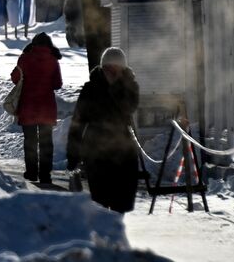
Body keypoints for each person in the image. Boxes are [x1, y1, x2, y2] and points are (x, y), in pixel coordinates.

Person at [66, 47, 139, 213]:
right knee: (100, 202)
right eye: (108, 68)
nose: (112, 72)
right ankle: (102, 236)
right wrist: (73, 155)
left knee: (121, 204)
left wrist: (116, 87)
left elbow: (128, 107)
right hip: (95, 152)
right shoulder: (90, 89)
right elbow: (78, 123)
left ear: (123, 69)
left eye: (116, 68)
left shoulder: (130, 87)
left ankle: (115, 235)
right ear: (102, 68)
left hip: (123, 153)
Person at [11, 32, 63, 184]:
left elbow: (15, 79)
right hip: (46, 109)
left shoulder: (25, 59)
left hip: (28, 108)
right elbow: (57, 84)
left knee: (30, 142)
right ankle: (45, 175)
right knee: (46, 143)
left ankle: (32, 173)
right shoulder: (53, 60)